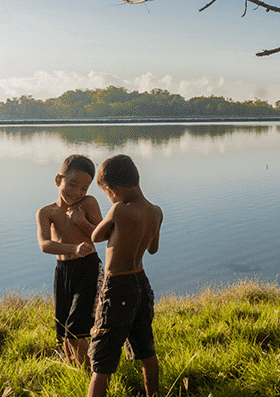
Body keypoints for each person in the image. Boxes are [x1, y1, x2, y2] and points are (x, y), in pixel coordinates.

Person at [87, 155, 162, 397]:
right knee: (146, 348)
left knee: (102, 358)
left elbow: (96, 237)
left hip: (117, 285)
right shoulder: (156, 212)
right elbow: (153, 248)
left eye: (106, 193)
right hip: (141, 283)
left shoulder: (118, 210)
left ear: (113, 190)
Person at [36, 154, 103, 368]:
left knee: (76, 330)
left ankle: (92, 375)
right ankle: (74, 370)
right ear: (59, 180)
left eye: (84, 188)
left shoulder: (88, 204)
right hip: (63, 270)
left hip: (88, 268)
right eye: (72, 184)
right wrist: (73, 248)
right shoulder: (46, 212)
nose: (77, 192)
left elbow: (102, 234)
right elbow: (45, 244)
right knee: (64, 330)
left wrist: (81, 222)